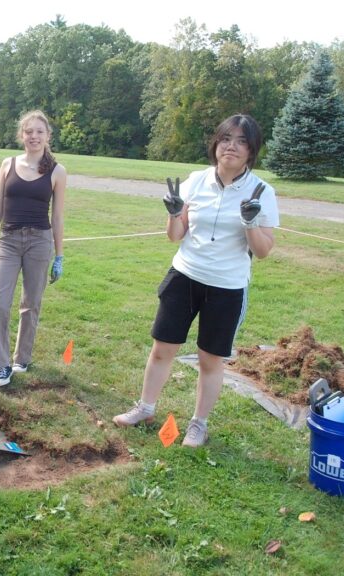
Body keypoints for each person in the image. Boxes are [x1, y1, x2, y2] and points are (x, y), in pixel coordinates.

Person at [112, 113, 279, 447]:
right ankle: (145, 408)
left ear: (251, 150)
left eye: (241, 141)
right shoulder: (196, 181)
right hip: (184, 276)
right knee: (163, 348)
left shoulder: (262, 191)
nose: (231, 147)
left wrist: (250, 222)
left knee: (210, 359)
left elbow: (263, 251)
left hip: (227, 287)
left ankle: (198, 425)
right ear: (216, 144)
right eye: (226, 139)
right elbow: (175, 235)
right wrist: (175, 213)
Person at [0, 110, 67, 387]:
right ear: (22, 135)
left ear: (48, 136)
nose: (34, 136)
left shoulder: (57, 171)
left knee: (31, 304)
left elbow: (57, 217)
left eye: (39, 132)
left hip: (39, 242)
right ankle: (2, 364)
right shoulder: (8, 164)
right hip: (8, 241)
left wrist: (59, 255)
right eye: (29, 131)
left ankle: (22, 358)